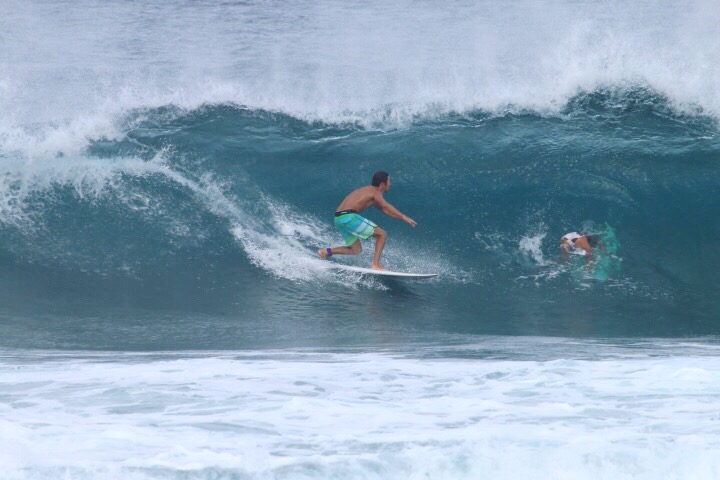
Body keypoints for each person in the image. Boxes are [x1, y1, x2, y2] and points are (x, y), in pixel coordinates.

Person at [317, 171, 416, 270]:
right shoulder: (375, 191)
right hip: (349, 217)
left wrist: (400, 218)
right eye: (389, 181)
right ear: (382, 184)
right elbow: (386, 205)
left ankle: (326, 252)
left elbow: (384, 209)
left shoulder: (367, 190)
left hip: (339, 218)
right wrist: (404, 216)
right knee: (382, 234)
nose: (390, 184)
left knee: (356, 250)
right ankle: (375, 264)